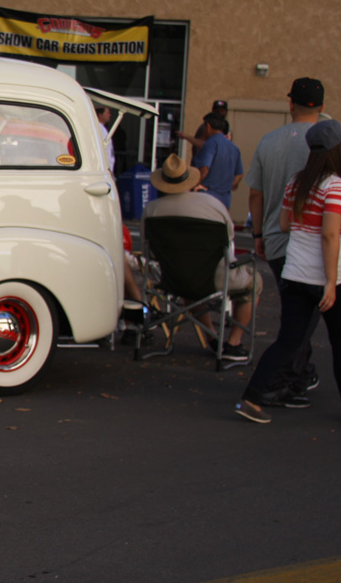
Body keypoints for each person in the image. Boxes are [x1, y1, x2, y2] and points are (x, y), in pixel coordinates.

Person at [235, 120, 341, 423]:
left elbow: (284, 224)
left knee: (288, 341)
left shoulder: (296, 182)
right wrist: (331, 282)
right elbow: (330, 235)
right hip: (324, 278)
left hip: (294, 273)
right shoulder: (335, 185)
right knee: (339, 342)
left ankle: (250, 399)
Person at [245, 76, 324, 397]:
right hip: (319, 242)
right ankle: (292, 378)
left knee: (298, 315)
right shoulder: (329, 141)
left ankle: (298, 373)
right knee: (306, 318)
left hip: (279, 239)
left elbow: (256, 194)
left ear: (290, 103)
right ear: (321, 105)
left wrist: (260, 233)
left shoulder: (269, 141)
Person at [144, 153, 259, 361]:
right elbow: (228, 238)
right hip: (211, 276)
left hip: (173, 278)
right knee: (254, 282)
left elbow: (148, 247)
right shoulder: (211, 204)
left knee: (191, 284)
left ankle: (212, 337)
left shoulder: (152, 210)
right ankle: (233, 341)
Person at [191, 111, 243, 210]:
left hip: (207, 198)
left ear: (208, 126)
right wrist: (225, 188)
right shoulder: (233, 147)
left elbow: (205, 169)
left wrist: (195, 185)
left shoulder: (210, 144)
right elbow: (239, 175)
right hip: (225, 200)